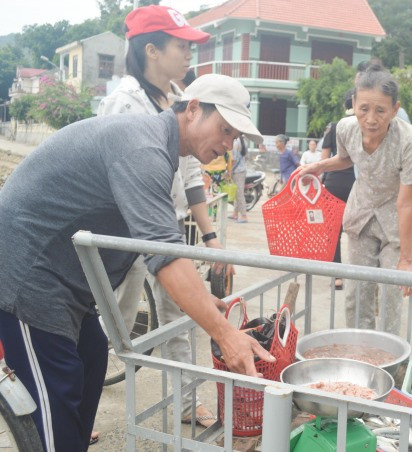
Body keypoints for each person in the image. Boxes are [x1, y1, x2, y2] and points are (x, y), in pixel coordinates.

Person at [0, 73, 274, 452]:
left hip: (66, 281)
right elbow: (164, 252)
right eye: (225, 129)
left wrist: (198, 299)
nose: (227, 145)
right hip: (28, 277)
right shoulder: (142, 148)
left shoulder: (159, 148)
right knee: (55, 401)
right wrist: (225, 334)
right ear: (193, 109)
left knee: (93, 357)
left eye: (234, 138)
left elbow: (160, 240)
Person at [96, 5, 224, 429]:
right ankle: (81, 406)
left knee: (181, 318)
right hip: (124, 235)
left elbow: (190, 175)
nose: (189, 54)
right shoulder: (122, 103)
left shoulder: (179, 102)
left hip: (165, 229)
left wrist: (210, 236)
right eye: (181, 46)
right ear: (151, 49)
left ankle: (187, 404)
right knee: (113, 322)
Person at [299, 65, 412, 334]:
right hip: (361, 213)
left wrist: (406, 260)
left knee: (392, 292)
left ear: (395, 109)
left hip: (398, 221)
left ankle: (388, 360)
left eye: (381, 110)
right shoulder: (346, 129)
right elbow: (346, 159)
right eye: (364, 109)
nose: (371, 118)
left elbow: (406, 202)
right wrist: (318, 167)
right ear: (354, 104)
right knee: (357, 291)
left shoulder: (409, 141)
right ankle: (358, 352)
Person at [321, 90, 357, 290]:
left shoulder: (334, 127)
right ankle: (361, 274)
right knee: (359, 231)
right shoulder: (364, 126)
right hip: (358, 183)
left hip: (334, 183)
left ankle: (337, 276)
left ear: (344, 106)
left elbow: (324, 159)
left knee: (333, 231)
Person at [228, 136, 249, 223]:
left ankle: (244, 215)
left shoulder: (235, 142)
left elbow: (234, 159)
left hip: (236, 171)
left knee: (239, 193)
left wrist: (229, 170)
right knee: (237, 193)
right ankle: (235, 213)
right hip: (242, 170)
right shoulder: (244, 141)